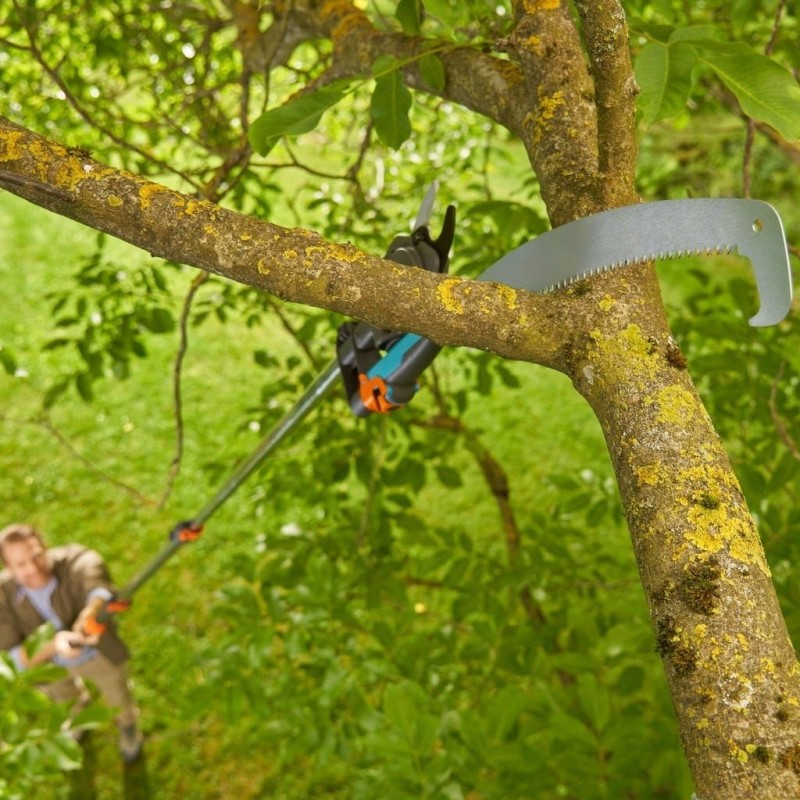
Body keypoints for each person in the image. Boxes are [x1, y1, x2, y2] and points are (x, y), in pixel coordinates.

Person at [0, 523, 143, 764]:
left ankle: (128, 725)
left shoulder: (74, 561)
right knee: (65, 699)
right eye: (21, 564)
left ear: (45, 547)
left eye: (37, 555)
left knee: (118, 697)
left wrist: (92, 612)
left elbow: (95, 580)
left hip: (99, 655)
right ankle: (79, 714)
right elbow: (13, 659)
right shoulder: (2, 596)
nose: (33, 568)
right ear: (8, 569)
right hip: (50, 667)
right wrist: (54, 645)